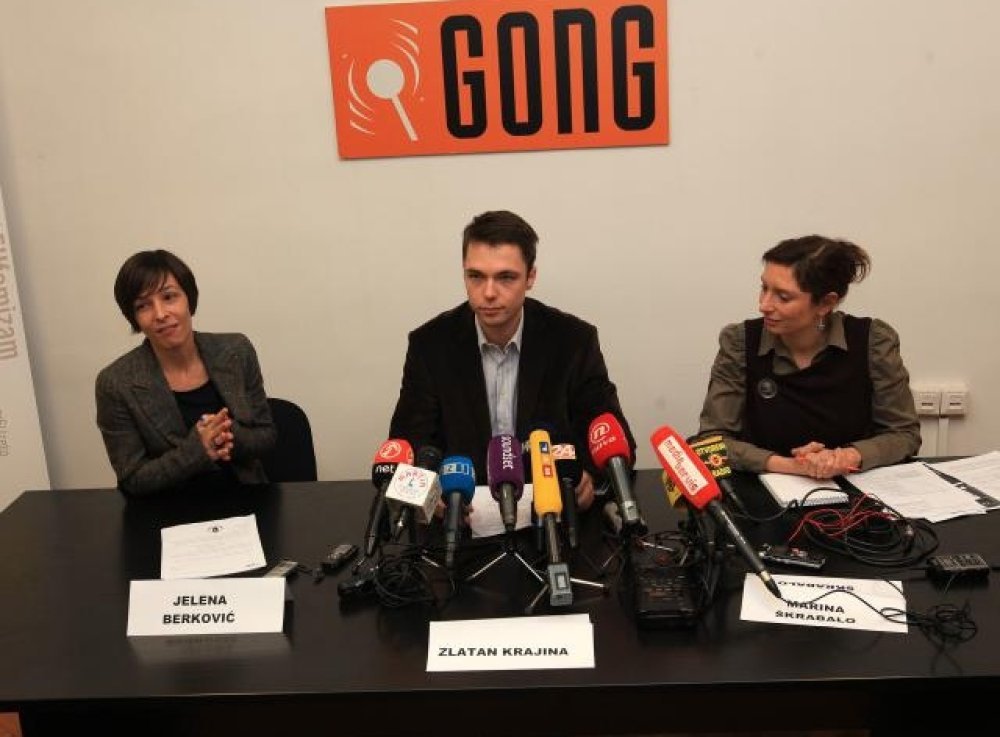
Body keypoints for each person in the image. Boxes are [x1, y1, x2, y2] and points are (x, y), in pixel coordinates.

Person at [389, 210, 634, 511]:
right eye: (476, 276)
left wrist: (589, 477)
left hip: (552, 512)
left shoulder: (573, 341)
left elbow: (612, 437)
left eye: (506, 277)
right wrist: (428, 492)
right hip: (464, 517)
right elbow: (407, 445)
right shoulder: (430, 345)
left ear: (531, 277)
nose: (489, 293)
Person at [698, 235, 920, 479]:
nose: (764, 305)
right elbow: (710, 443)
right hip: (763, 488)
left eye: (783, 297)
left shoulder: (873, 342)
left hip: (853, 489)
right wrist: (791, 465)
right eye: (764, 288)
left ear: (826, 303)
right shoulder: (740, 342)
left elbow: (904, 434)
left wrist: (846, 457)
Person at [95, 250, 276, 496]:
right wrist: (197, 450)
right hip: (168, 508)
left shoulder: (236, 351)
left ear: (189, 298)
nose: (160, 314)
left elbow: (266, 436)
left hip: (246, 499)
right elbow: (133, 480)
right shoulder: (116, 383)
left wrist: (227, 434)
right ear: (134, 318)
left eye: (169, 297)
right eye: (143, 306)